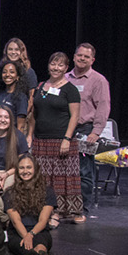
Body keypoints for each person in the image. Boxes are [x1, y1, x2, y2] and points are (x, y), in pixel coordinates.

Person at [29, 52, 83, 224]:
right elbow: (33, 114)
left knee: (61, 180)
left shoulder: (70, 90)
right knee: (43, 179)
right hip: (41, 141)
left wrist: (67, 139)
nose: (56, 68)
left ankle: (58, 213)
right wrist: (30, 135)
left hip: (61, 141)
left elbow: (74, 117)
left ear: (66, 68)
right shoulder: (41, 86)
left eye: (60, 65)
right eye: (53, 64)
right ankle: (45, 210)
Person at [67, 43, 109, 220]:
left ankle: (81, 209)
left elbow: (103, 107)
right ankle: (64, 207)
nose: (82, 58)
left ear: (92, 60)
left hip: (86, 130)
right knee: (65, 171)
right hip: (66, 130)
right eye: (79, 55)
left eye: (86, 56)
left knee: (84, 171)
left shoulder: (98, 80)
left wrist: (96, 132)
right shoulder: (65, 77)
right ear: (74, 56)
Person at [3, 154, 55, 255]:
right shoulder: (9, 193)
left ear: (35, 169)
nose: (25, 171)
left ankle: (41, 254)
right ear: (17, 171)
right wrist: (26, 236)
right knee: (25, 248)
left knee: (41, 244)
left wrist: (31, 235)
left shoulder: (48, 191)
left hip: (39, 230)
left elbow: (43, 220)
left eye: (28, 167)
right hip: (17, 232)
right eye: (21, 168)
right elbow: (16, 221)